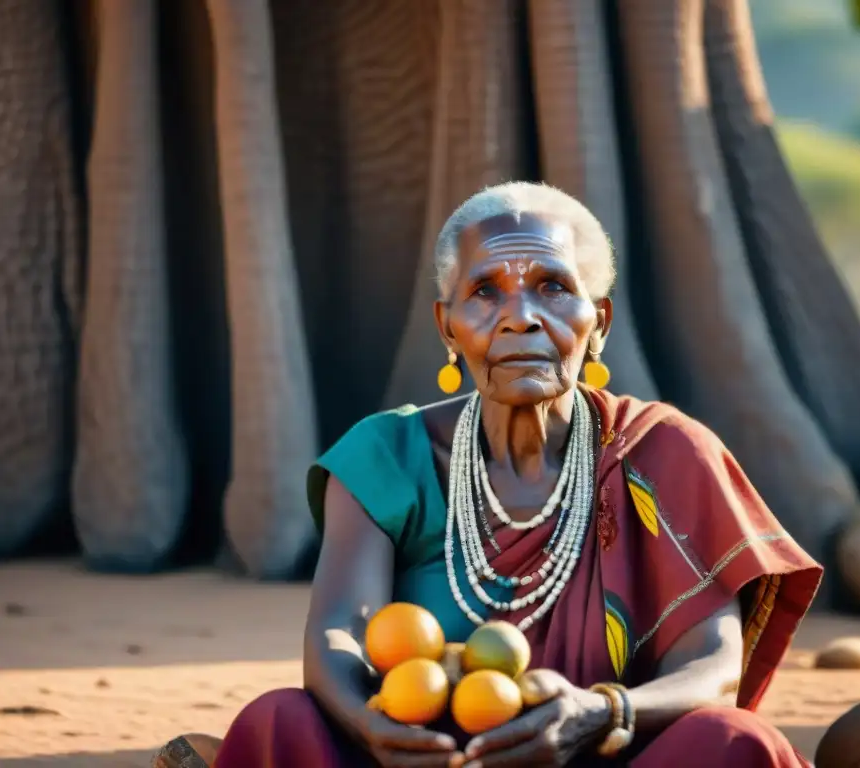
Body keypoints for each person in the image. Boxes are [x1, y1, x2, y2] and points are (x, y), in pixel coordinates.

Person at [208, 182, 822, 767]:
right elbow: (339, 636)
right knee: (280, 721)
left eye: (553, 287)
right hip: (424, 759)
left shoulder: (666, 452)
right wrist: (369, 723)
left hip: (607, 751)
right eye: (484, 292)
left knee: (732, 741)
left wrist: (600, 711)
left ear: (599, 322)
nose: (519, 316)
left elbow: (713, 668)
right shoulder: (388, 454)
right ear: (448, 326)